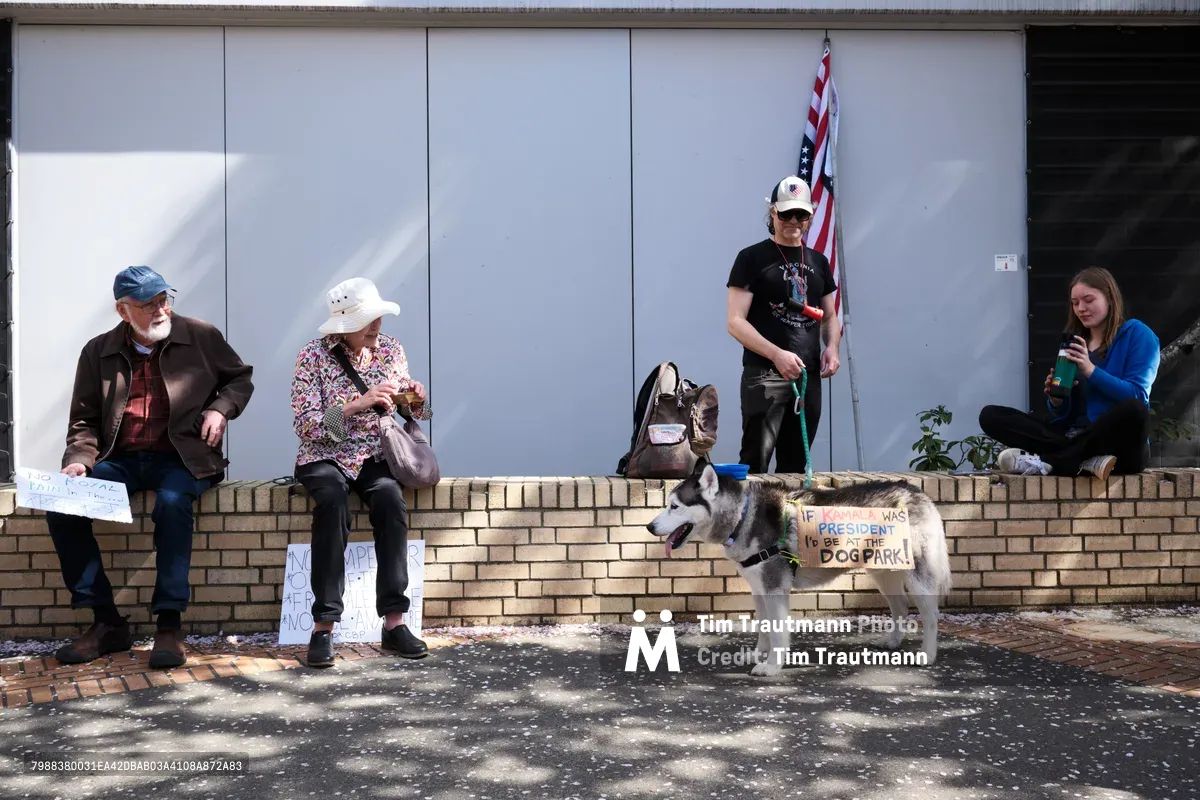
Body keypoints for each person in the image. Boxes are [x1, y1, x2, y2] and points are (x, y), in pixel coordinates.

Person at [49, 266, 254, 668]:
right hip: (120, 460)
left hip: (184, 457)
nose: (161, 310)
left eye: (164, 299)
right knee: (62, 506)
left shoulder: (200, 335)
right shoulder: (98, 351)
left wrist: (219, 409)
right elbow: (84, 420)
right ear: (123, 311)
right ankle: (107, 622)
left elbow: (239, 379)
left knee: (173, 503)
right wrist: (78, 461)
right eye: (149, 304)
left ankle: (169, 623)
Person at [291, 277, 431, 668]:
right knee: (333, 502)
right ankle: (323, 627)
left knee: (390, 500)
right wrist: (357, 404)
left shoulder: (390, 350)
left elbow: (412, 413)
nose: (377, 327)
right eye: (368, 321)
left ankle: (394, 622)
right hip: (323, 457)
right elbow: (306, 426)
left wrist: (417, 401)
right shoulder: (312, 357)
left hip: (373, 454)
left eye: (377, 318)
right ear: (344, 325)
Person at [979, 267, 1159, 480]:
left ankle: (1051, 461)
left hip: (1120, 447)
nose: (1081, 308)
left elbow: (1137, 395)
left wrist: (1090, 370)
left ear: (1110, 298)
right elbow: (1065, 414)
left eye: (1088, 300)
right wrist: (1056, 400)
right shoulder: (1074, 342)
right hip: (1075, 436)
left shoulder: (1137, 334)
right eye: (1075, 303)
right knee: (991, 416)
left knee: (1135, 411)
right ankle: (1084, 459)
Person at [726, 176, 841, 474]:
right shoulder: (751, 258)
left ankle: (785, 522)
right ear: (772, 213)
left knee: (796, 465)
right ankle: (752, 521)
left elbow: (829, 316)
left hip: (808, 377)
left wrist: (832, 348)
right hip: (765, 374)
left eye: (800, 214)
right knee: (755, 462)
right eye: (786, 213)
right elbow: (735, 322)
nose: (793, 220)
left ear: (810, 217)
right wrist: (777, 355)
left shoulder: (819, 262)